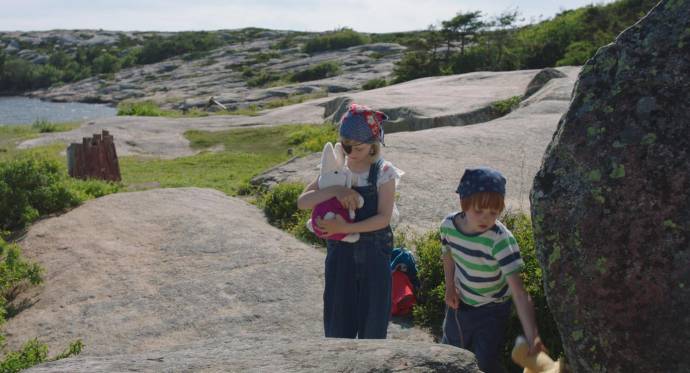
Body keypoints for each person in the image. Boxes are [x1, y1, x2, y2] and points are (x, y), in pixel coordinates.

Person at [297, 103, 403, 339]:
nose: (351, 151)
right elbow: (303, 202)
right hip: (340, 258)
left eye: (358, 146)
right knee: (338, 322)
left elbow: (383, 218)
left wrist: (346, 228)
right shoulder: (336, 170)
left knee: (373, 322)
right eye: (346, 145)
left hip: (375, 256)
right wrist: (336, 189)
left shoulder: (383, 171)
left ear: (373, 145)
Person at [440, 167, 545, 373]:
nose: (485, 218)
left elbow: (519, 293)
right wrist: (450, 286)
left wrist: (534, 338)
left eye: (493, 212)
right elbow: (448, 254)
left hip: (492, 310)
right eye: (478, 210)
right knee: (449, 354)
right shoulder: (448, 226)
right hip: (459, 304)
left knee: (484, 362)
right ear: (464, 202)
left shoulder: (500, 241)